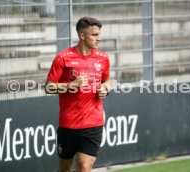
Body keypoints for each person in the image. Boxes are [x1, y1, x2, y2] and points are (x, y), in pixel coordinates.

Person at [45, 17, 111, 172]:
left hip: (93, 123)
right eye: (94, 35)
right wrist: (71, 85)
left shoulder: (103, 58)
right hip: (68, 124)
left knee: (84, 166)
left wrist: (106, 88)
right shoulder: (63, 58)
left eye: (99, 34)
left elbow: (107, 80)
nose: (98, 38)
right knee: (65, 169)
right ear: (82, 36)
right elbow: (49, 87)